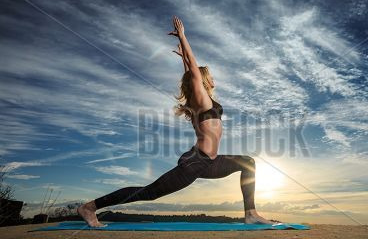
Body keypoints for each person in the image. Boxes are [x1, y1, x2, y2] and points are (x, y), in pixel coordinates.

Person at [77, 16, 279, 227]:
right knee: (150, 192)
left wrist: (182, 57)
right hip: (196, 161)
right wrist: (183, 37)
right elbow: (193, 72)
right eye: (209, 76)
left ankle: (251, 213)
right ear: (202, 80)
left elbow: (190, 74)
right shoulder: (201, 99)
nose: (213, 80)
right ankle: (90, 207)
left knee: (248, 162)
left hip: (210, 162)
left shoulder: (199, 99)